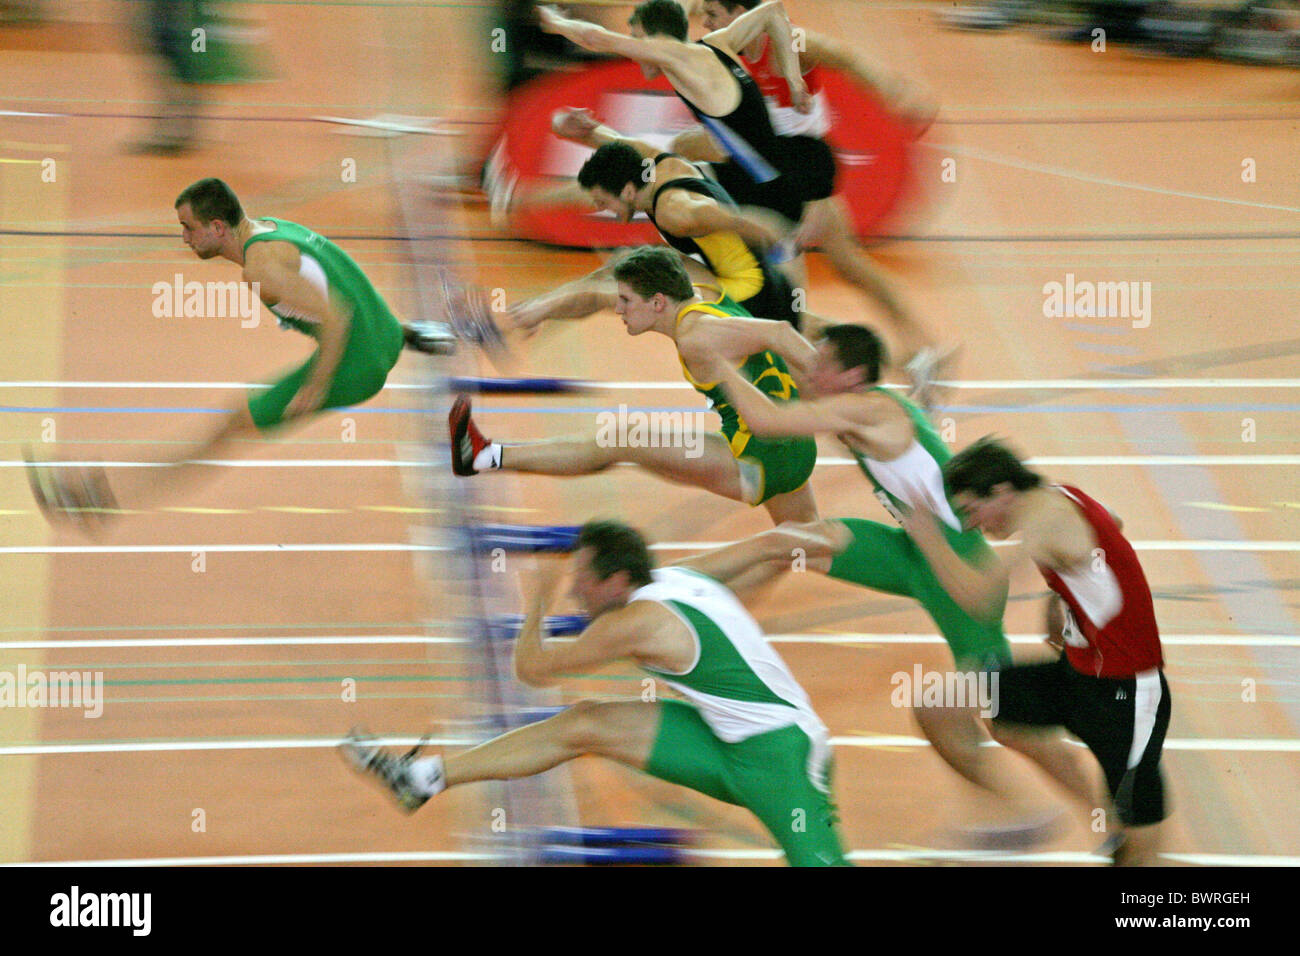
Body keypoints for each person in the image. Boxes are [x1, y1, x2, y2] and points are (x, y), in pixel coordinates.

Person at [693, 325, 1061, 839]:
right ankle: (686, 603)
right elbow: (790, 345)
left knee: (1002, 718)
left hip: (958, 574)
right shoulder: (855, 394)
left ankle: (1041, 808)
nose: (808, 370)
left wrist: (718, 366)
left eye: (820, 364)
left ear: (849, 376)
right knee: (792, 542)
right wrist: (761, 331)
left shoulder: (866, 409)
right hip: (910, 552)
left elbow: (769, 420)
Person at [341, 518, 851, 866]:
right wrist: (833, 536)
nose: (574, 589)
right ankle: (424, 778)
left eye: (583, 578)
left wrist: (537, 598)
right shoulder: (678, 577)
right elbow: (766, 545)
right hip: (727, 743)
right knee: (582, 724)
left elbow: (533, 669)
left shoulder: (635, 623)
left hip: (781, 758)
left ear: (617, 581)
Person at [537, 0, 948, 397]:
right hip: (767, 174)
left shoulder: (792, 42)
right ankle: (901, 358)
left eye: (715, 15)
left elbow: (849, 58)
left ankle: (901, 360)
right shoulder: (723, 46)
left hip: (802, 170)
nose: (708, 24)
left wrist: (883, 88)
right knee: (807, 294)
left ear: (738, 12)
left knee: (819, 291)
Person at [26, 177, 459, 531]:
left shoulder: (261, 269)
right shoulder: (270, 228)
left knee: (222, 433)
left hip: (355, 365)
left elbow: (337, 318)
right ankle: (97, 492)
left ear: (217, 227)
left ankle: (97, 498)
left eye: (189, 228)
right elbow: (341, 278)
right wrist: (405, 333)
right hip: (384, 332)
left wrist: (316, 385)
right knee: (226, 428)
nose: (184, 239)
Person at [899, 437, 1172, 865]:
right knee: (940, 705)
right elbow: (1108, 527)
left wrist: (928, 540)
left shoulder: (1043, 519)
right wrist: (1068, 600)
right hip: (1077, 678)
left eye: (971, 510)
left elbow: (981, 600)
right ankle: (1028, 817)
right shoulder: (1061, 498)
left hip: (1126, 698)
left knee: (1143, 858)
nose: (970, 525)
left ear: (1003, 490)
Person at [449, 245, 820, 525]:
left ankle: (484, 455)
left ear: (658, 302)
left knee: (622, 439)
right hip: (795, 449)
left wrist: (839, 405)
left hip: (756, 462)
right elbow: (596, 295)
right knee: (809, 546)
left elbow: (780, 331)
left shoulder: (698, 335)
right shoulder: (700, 292)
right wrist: (537, 311)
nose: (618, 309)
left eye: (626, 301)